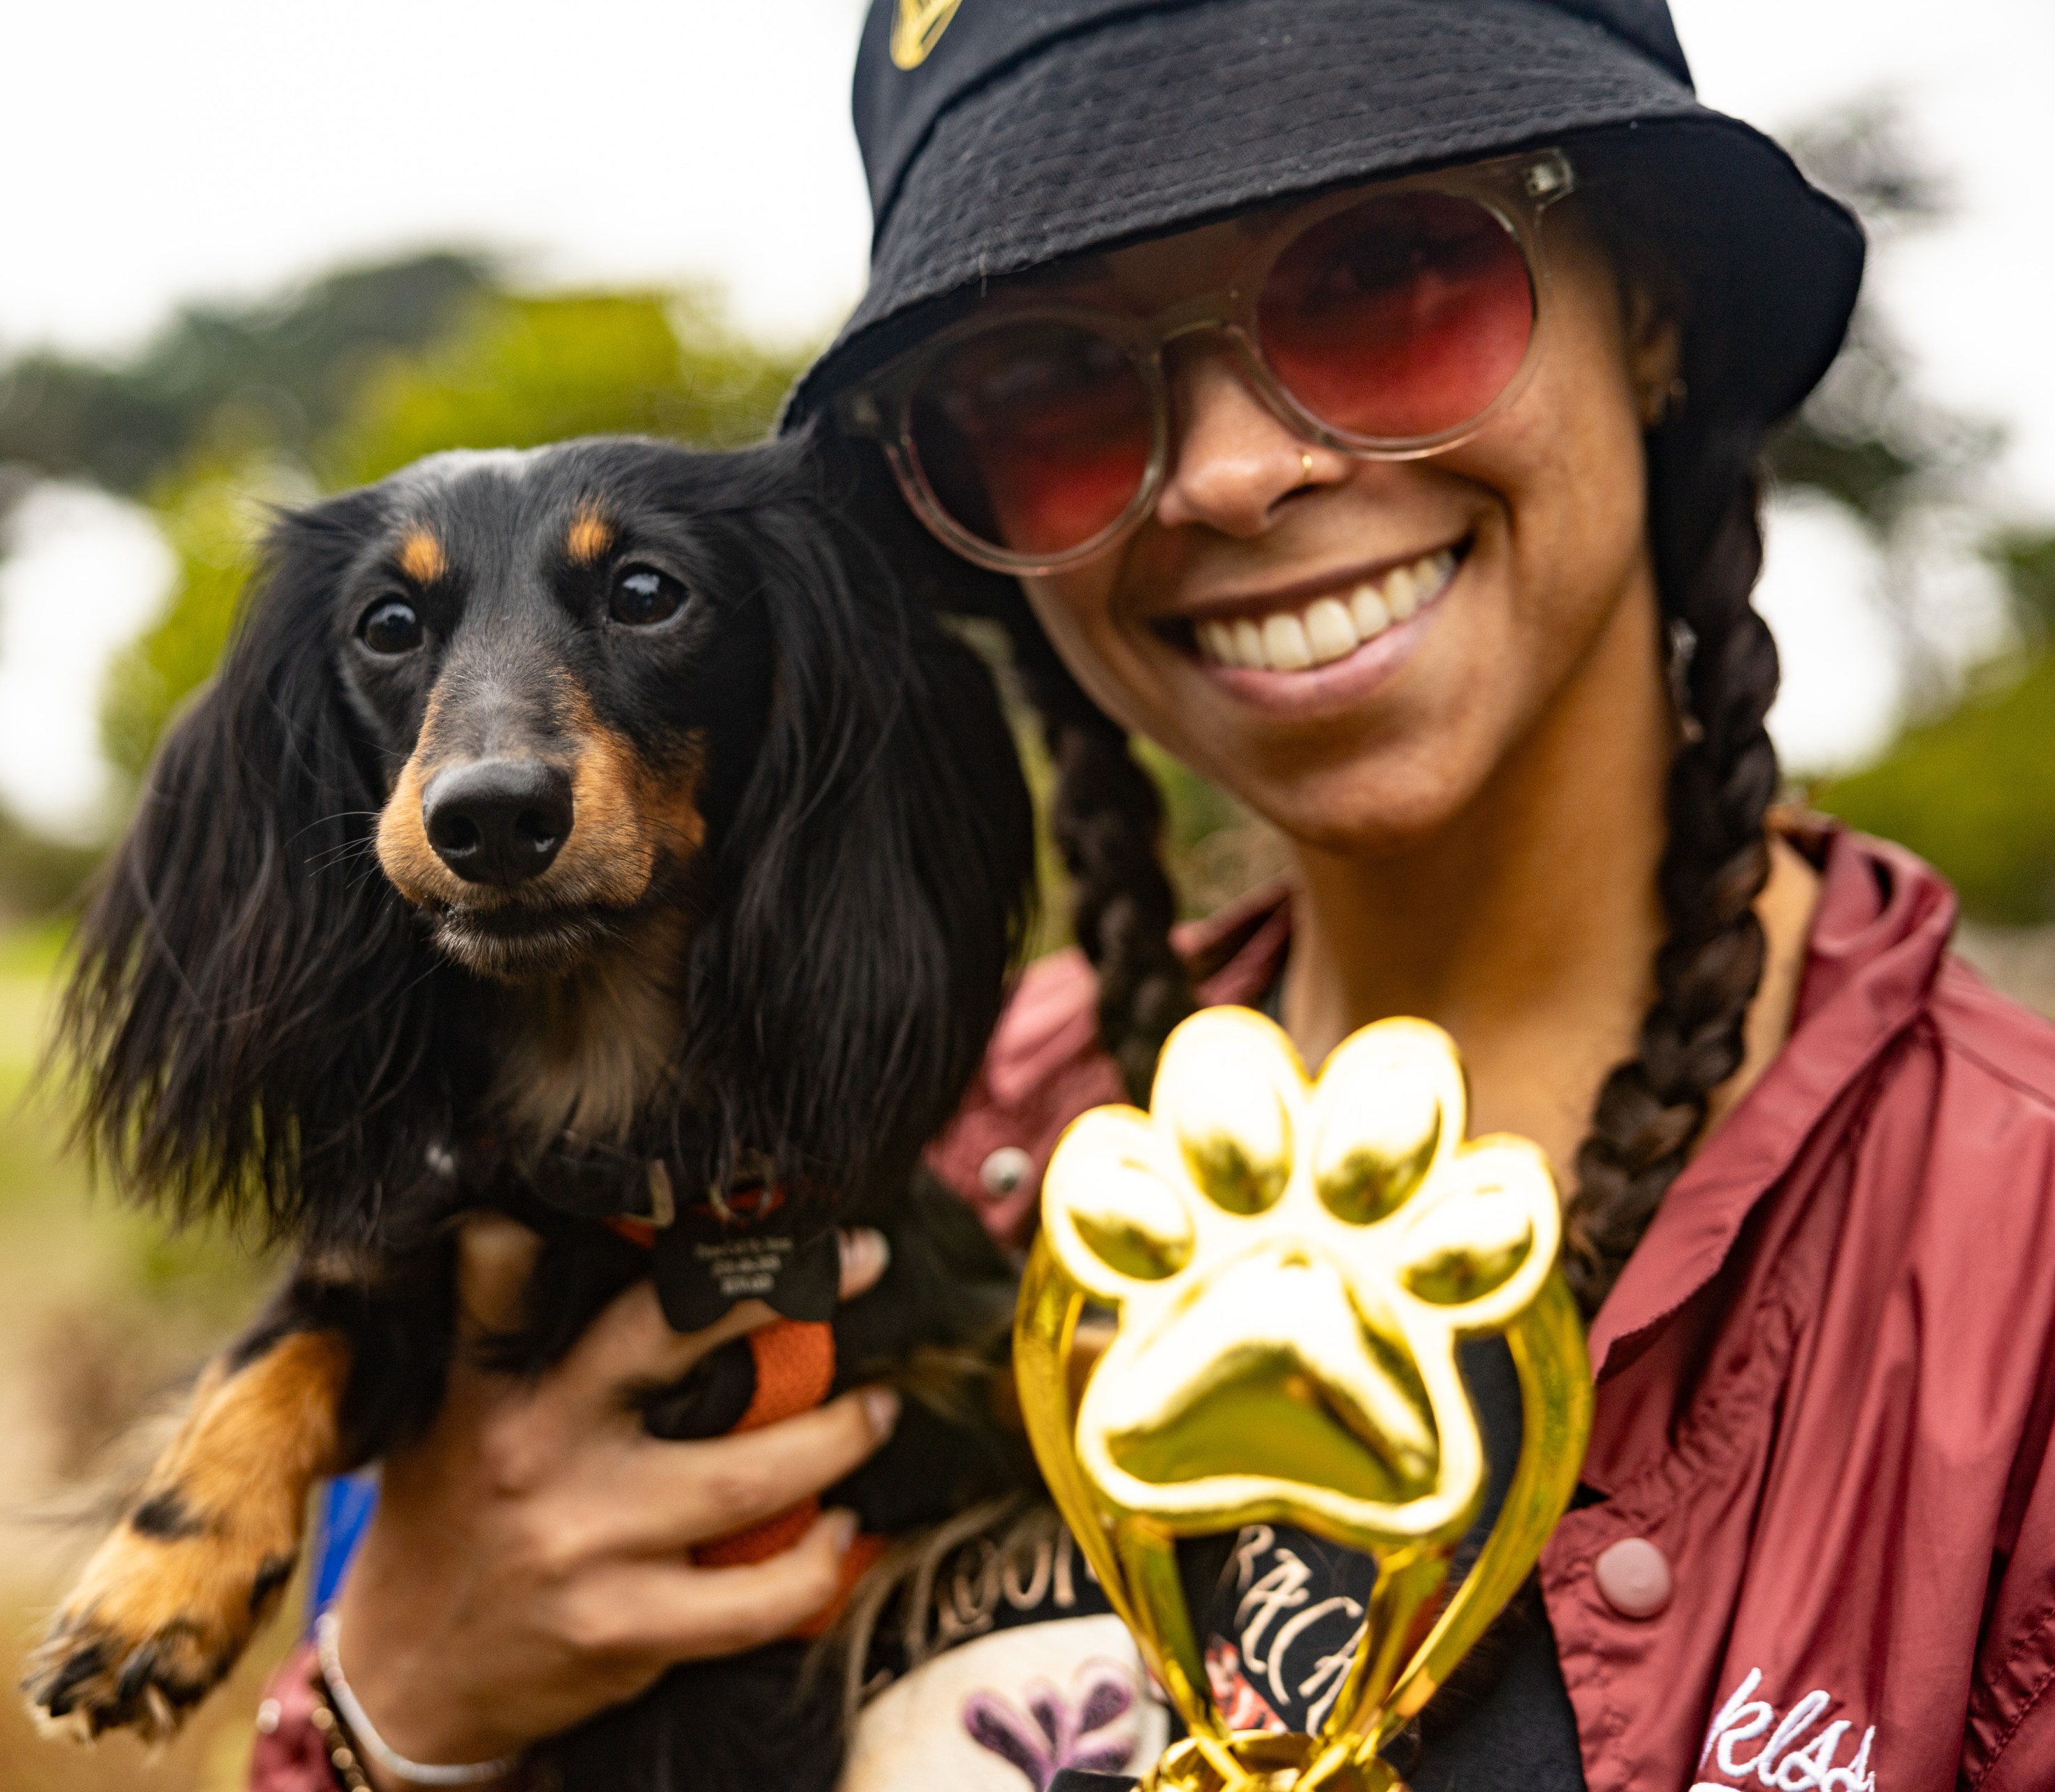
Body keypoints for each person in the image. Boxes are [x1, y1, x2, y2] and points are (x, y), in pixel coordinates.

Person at [255, 3, 2055, 1788]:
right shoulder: (866, 1161)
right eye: (1049, 385)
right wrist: (397, 1713)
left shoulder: (2014, 1271)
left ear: (1647, 307)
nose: (1231, 471)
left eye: (1387, 279)